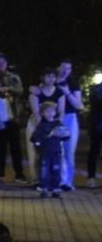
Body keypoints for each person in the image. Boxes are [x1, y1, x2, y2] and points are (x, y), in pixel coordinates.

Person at [31, 101, 70, 197]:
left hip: (56, 152)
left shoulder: (58, 123)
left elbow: (65, 136)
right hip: (44, 153)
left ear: (55, 112)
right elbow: (34, 138)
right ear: (42, 113)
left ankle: (55, 189)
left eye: (52, 111)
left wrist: (66, 134)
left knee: (56, 170)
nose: (49, 113)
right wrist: (48, 135)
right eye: (47, 111)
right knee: (44, 171)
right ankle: (44, 189)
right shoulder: (41, 125)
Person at [54, 61, 83, 190]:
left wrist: (66, 92)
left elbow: (77, 105)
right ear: (58, 68)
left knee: (68, 151)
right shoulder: (51, 81)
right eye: (63, 67)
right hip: (54, 118)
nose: (66, 70)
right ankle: (56, 179)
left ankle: (67, 181)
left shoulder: (73, 84)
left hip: (69, 118)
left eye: (69, 68)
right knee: (56, 151)